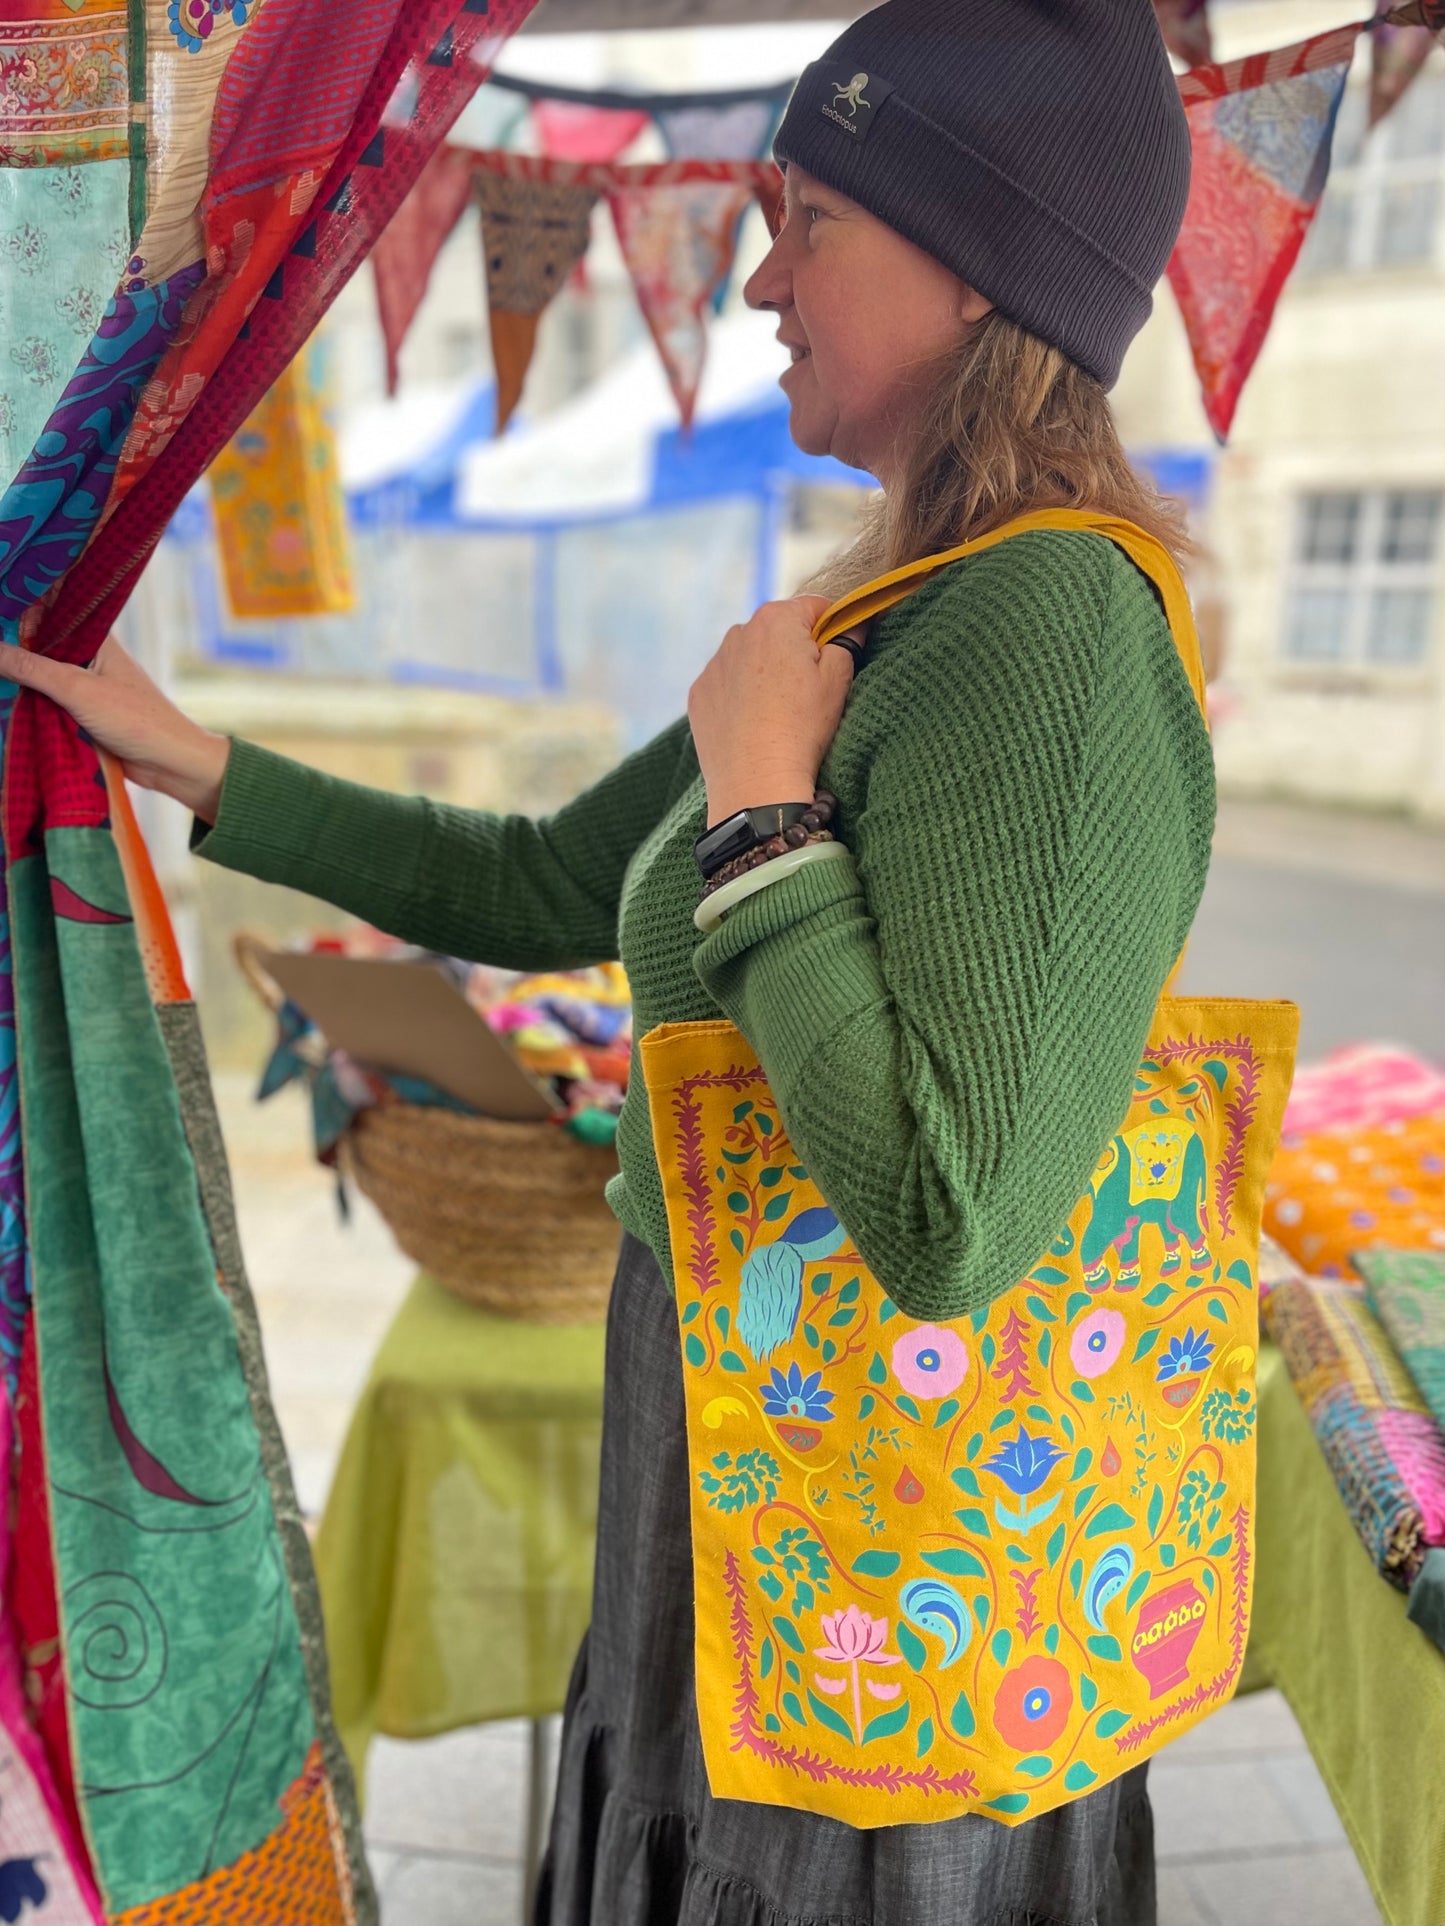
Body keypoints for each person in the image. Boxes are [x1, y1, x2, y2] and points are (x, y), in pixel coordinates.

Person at [0, 2, 1213, 1919]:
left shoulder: (1049, 629)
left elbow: (950, 1218)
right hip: (744, 1451)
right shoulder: (876, 607)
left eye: (805, 218)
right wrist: (198, 759)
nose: (755, 281)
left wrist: (763, 817)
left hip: (898, 1553)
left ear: (978, 271)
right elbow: (553, 873)